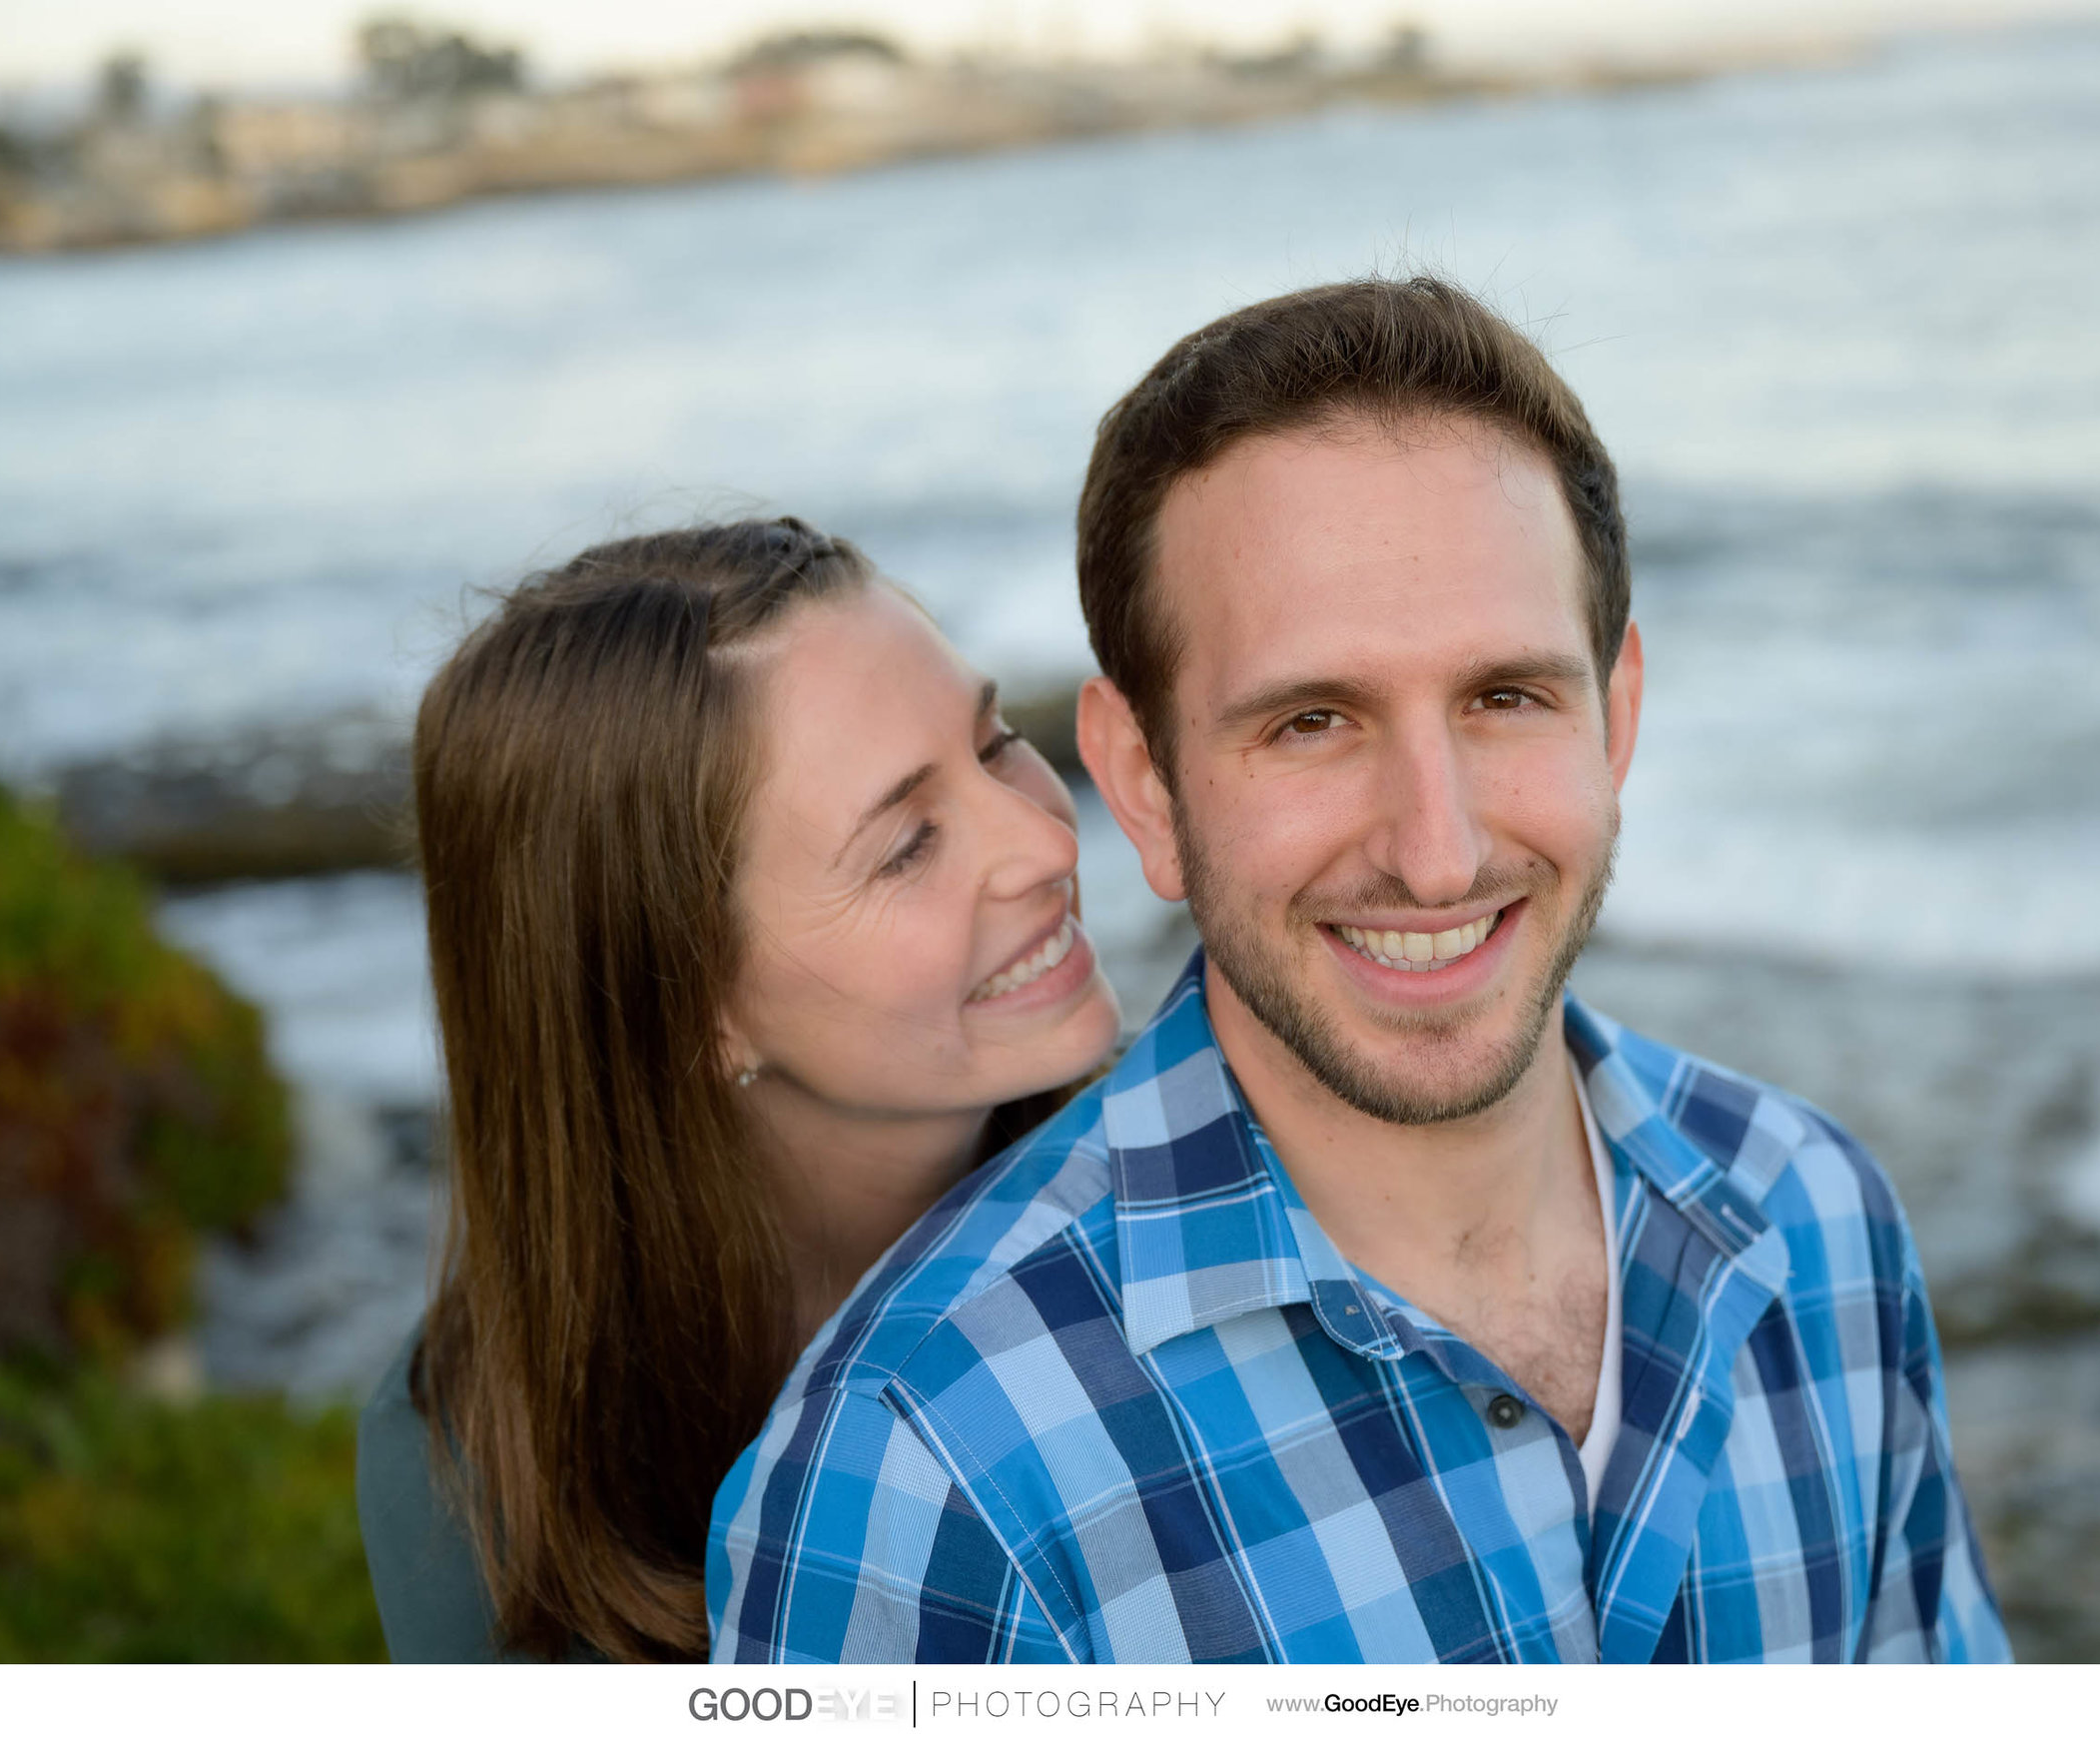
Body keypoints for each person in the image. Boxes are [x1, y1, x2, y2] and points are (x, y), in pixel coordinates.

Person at [706, 279, 2010, 1664]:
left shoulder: (1818, 1218)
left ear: (1615, 716)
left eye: (1506, 699)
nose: (1438, 856)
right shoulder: (928, 1475)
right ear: (1142, 784)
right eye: (1312, 722)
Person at [355, 519, 1121, 1661]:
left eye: (997, 740)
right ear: (688, 999)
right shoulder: (470, 1446)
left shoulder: (1204, 1219)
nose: (1044, 840)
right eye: (908, 843)